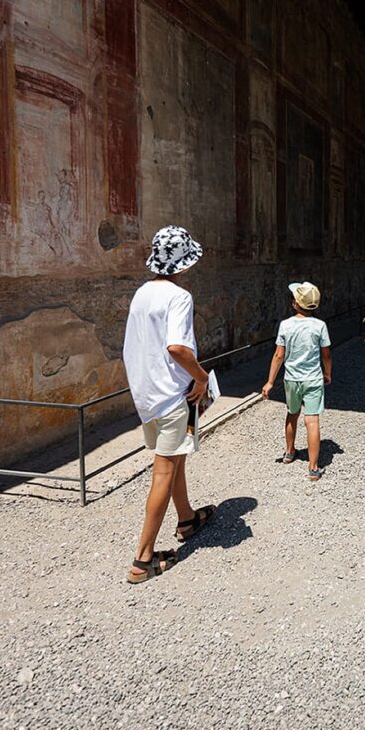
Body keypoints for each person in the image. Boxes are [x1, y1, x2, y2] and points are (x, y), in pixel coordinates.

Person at [123, 225, 215, 584]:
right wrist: (202, 376)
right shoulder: (179, 297)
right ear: (184, 262)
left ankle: (187, 518)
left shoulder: (141, 294)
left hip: (147, 395)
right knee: (163, 471)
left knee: (175, 459)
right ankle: (142, 560)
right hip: (172, 396)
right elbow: (177, 347)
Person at [262, 282, 332, 481]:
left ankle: (290, 452)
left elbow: (278, 355)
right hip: (313, 378)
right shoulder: (320, 326)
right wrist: (328, 373)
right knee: (312, 420)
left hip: (291, 379)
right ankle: (313, 467)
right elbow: (326, 354)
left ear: (295, 304)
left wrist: (269, 382)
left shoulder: (286, 325)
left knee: (292, 414)